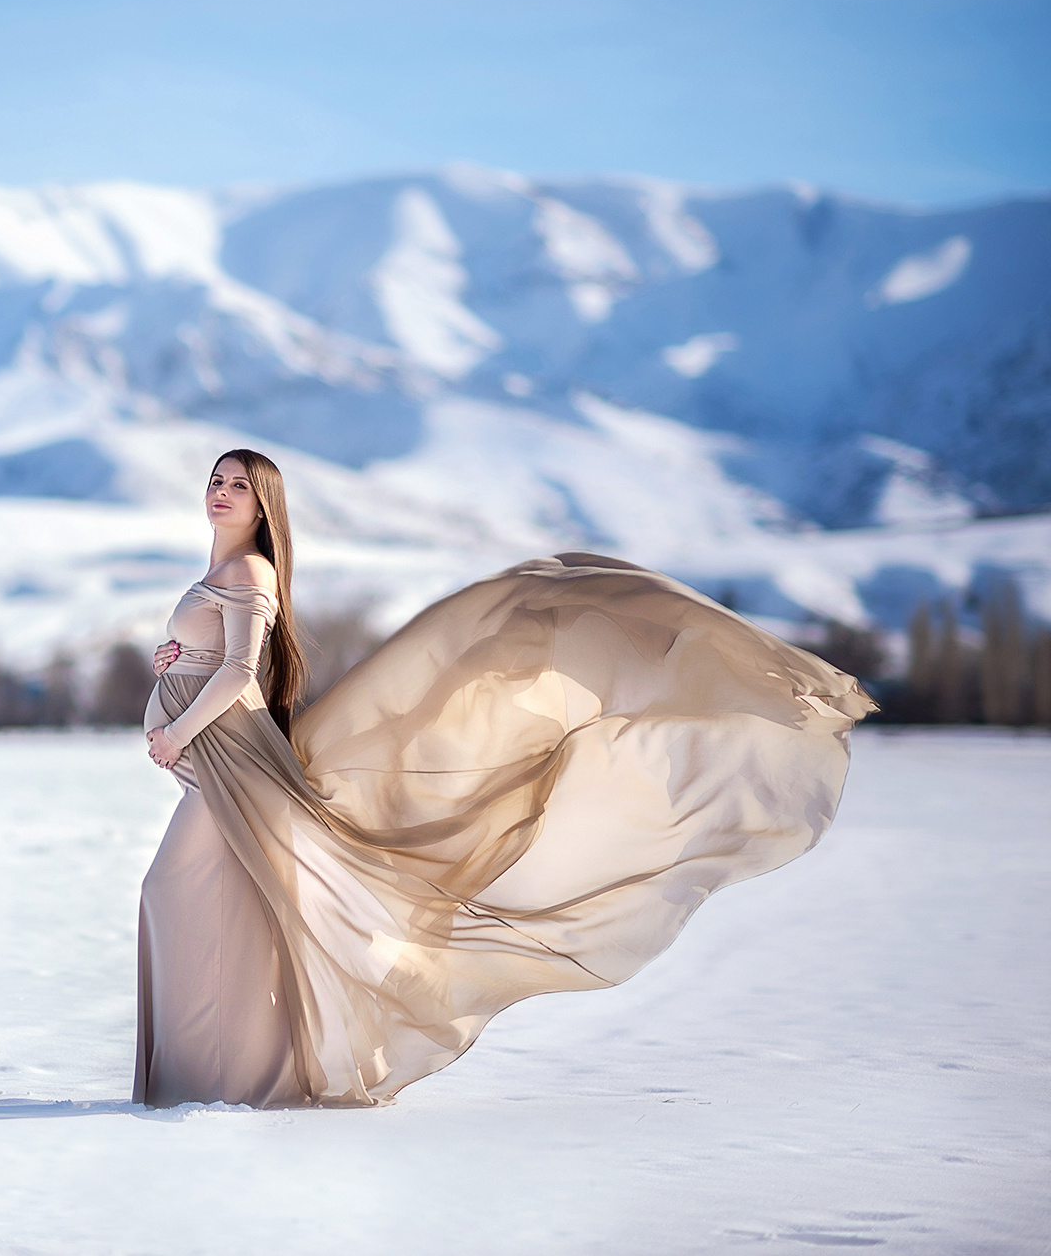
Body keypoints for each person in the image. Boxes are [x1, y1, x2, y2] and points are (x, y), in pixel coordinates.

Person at [134, 448, 875, 1109]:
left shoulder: (250, 571)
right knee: (218, 903)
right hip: (218, 759)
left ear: (266, 507)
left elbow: (238, 670)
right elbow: (222, 661)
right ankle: (212, 1076)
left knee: (173, 893)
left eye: (240, 485)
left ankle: (224, 1076)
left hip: (234, 761)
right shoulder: (218, 572)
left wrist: (174, 728)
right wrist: (173, 663)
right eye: (216, 481)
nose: (222, 492)